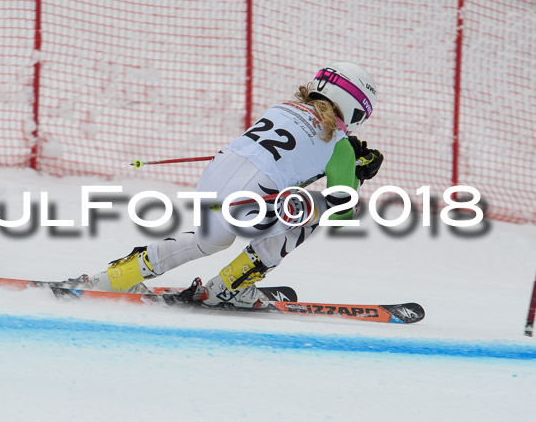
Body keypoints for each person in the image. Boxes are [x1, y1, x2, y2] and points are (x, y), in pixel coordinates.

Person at [87, 61, 384, 307]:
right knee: (317, 210)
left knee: (210, 240)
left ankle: (117, 276)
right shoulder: (340, 145)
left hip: (212, 182)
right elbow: (342, 214)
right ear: (354, 107)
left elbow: (288, 159)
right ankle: (229, 287)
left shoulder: (281, 108)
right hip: (249, 202)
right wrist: (357, 172)